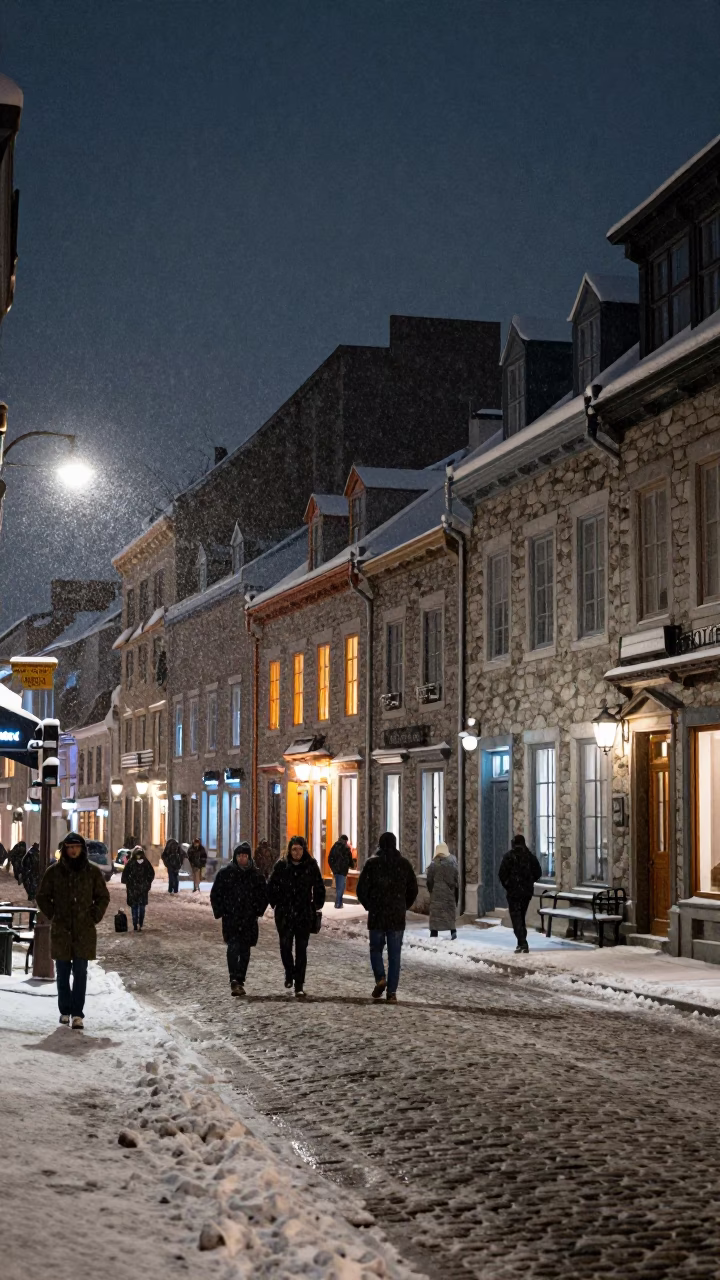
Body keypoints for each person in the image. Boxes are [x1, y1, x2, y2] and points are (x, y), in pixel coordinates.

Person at [36, 832, 110, 1030]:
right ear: (65, 850)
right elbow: (42, 896)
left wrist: (93, 916)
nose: (73, 850)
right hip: (61, 930)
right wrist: (54, 914)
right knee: (62, 972)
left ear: (82, 849)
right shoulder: (54, 872)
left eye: (76, 847)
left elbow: (103, 897)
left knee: (80, 972)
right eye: (69, 847)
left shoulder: (92, 872)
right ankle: (64, 1010)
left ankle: (77, 1013)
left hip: (83, 931)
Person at [356, 831, 418, 1004]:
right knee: (394, 955)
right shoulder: (404, 864)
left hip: (377, 915)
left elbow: (361, 890)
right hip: (396, 916)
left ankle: (380, 977)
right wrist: (403, 906)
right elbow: (413, 890)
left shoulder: (372, 864)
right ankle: (391, 992)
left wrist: (370, 905)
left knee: (376, 949)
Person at [267, 835, 325, 998]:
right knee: (285, 947)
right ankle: (289, 972)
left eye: (300, 849)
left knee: (301, 950)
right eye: (294, 849)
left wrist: (316, 904)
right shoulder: (281, 865)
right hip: (285, 913)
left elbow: (319, 885)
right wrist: (275, 902)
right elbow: (271, 886)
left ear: (304, 849)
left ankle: (299, 983)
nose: (297, 852)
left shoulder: (311, 865)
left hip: (304, 913)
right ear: (289, 850)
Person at [210, 841, 269, 996]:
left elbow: (264, 896)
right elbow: (216, 894)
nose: (242, 858)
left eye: (245, 855)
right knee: (233, 947)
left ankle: (240, 978)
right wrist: (221, 911)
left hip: (248, 919)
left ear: (249, 857)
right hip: (231, 918)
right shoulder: (225, 874)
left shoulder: (256, 876)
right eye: (240, 855)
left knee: (245, 950)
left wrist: (257, 910)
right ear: (235, 857)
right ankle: (233, 979)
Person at [498, 834, 542, 955]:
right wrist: (529, 882)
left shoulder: (509, 857)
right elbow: (538, 873)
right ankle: (521, 942)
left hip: (514, 892)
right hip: (526, 892)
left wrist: (509, 885)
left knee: (516, 917)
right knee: (520, 916)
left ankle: (522, 942)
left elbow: (502, 874)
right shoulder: (530, 857)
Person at [426, 842, 459, 940]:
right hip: (449, 892)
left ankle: (434, 932)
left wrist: (431, 889)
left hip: (436, 893)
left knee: (436, 913)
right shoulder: (453, 862)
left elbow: (429, 880)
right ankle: (453, 931)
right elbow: (456, 878)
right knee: (449, 912)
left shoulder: (433, 864)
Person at [121, 845, 155, 931]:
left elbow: (125, 875)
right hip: (142, 889)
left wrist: (128, 882)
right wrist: (147, 883)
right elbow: (151, 874)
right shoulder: (146, 863)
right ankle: (139, 924)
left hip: (133, 889)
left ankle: (136, 924)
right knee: (141, 906)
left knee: (135, 907)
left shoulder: (131, 863)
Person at [328, 834, 353, 909]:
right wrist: (350, 865)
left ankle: (339, 902)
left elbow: (330, 858)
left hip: (336, 870)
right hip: (343, 870)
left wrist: (333, 868)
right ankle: (338, 903)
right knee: (341, 887)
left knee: (339, 886)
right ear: (345, 840)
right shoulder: (346, 848)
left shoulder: (334, 847)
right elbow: (349, 859)